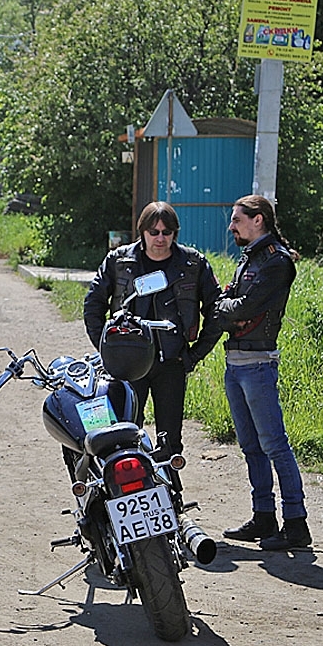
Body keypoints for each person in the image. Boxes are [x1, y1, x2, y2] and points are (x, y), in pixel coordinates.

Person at [83, 201, 221, 481]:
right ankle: (120, 495)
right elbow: (93, 304)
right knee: (122, 435)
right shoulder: (119, 260)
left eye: (167, 232)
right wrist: (106, 349)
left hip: (171, 361)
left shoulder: (192, 263)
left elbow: (216, 311)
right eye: (154, 231)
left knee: (170, 441)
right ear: (142, 232)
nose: (160, 238)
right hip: (125, 363)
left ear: (175, 233)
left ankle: (174, 499)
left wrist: (195, 354)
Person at [217, 195, 310, 551]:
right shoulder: (250, 259)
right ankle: (264, 518)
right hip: (236, 363)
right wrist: (228, 310)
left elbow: (247, 305)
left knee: (274, 445)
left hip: (257, 365)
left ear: (259, 220)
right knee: (251, 447)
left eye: (237, 220)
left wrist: (226, 308)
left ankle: (296, 524)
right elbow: (230, 309)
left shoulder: (276, 262)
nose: (232, 226)